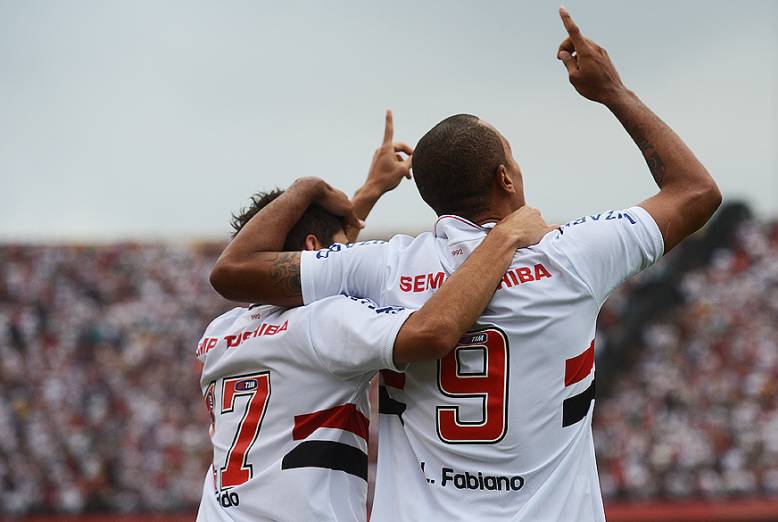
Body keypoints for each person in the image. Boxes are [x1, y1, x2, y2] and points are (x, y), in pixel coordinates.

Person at [208, 7, 722, 521]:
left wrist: (333, 190)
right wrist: (614, 92)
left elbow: (236, 272)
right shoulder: (575, 254)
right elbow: (696, 192)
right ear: (504, 178)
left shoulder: (382, 268)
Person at [196, 162, 556, 520]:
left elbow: (315, 281)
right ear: (313, 248)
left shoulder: (220, 334)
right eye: (340, 247)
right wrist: (503, 238)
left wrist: (368, 194)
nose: (348, 253)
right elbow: (433, 331)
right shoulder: (327, 321)